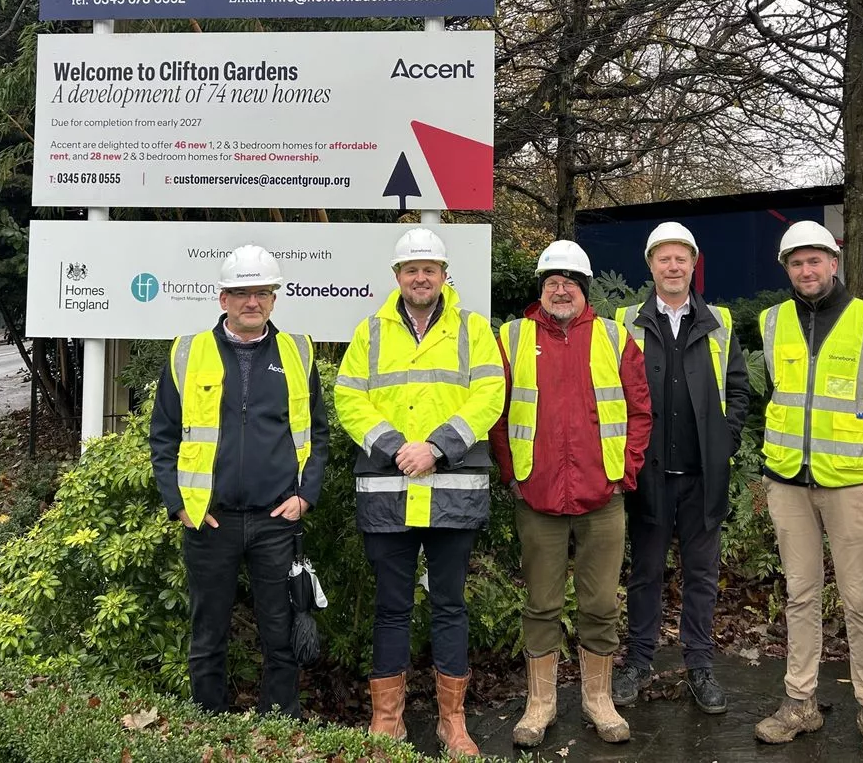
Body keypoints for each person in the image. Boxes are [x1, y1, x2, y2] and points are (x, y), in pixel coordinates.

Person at [334, 227, 504, 759]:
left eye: (430, 268)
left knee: (450, 606)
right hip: (389, 491)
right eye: (412, 269)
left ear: (445, 275)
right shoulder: (371, 331)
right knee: (391, 608)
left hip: (451, 489)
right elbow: (348, 397)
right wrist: (393, 448)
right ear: (397, 277)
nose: (421, 276)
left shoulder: (473, 329)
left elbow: (490, 393)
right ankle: (387, 721)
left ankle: (454, 724)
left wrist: (435, 447)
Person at [149, 243, 329, 719]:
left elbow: (318, 431)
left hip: (277, 519)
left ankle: (280, 726)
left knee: (279, 631)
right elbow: (164, 436)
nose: (254, 302)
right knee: (208, 633)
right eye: (242, 293)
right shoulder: (188, 353)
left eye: (263, 293)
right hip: (210, 520)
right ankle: (207, 725)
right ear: (223, 298)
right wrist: (179, 503)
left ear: (274, 298)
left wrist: (306, 497)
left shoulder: (297, 352)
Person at [754, 220, 863, 761]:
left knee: (860, 601)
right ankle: (801, 702)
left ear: (834, 262)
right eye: (796, 262)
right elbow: (772, 395)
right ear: (786, 268)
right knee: (800, 596)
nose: (806, 270)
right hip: (789, 481)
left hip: (850, 484)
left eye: (814, 260)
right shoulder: (771, 322)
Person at [490, 240, 652, 747]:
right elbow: (495, 412)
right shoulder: (512, 337)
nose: (560, 290)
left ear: (584, 290)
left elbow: (638, 410)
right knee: (540, 603)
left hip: (601, 495)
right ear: (541, 290)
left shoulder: (613, 337)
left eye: (570, 283)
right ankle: (539, 704)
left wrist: (624, 473)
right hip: (537, 495)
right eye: (551, 283)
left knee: (601, 602)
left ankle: (597, 700)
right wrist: (512, 473)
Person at [612, 222, 750, 713]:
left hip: (701, 476)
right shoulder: (625, 321)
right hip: (647, 474)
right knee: (645, 574)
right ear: (650, 265)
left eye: (681, 259)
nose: (672, 267)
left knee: (701, 575)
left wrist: (724, 441)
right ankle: (638, 662)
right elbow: (611, 393)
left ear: (694, 264)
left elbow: (738, 389)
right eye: (663, 259)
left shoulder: (720, 322)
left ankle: (699, 666)